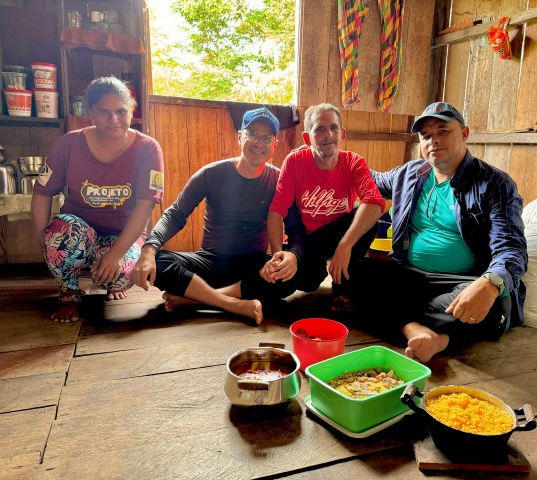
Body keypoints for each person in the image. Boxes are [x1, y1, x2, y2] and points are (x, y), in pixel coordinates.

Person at [350, 102, 528, 362]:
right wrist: (330, 158)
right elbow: (367, 179)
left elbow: (511, 248)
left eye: (443, 131)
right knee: (354, 274)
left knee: (496, 300)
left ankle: (411, 325)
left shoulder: (494, 183)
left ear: (464, 134)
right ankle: (426, 332)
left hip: (463, 281)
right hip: (411, 277)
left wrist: (489, 283)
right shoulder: (410, 173)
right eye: (426, 136)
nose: (433, 140)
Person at [131, 107, 303, 325]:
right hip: (210, 263)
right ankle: (233, 304)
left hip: (253, 268)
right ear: (240, 137)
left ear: (274, 145)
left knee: (292, 272)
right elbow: (176, 214)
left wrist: (292, 256)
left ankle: (196, 300)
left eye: (266, 138)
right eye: (252, 135)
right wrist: (149, 247)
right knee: (156, 261)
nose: (259, 143)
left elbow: (295, 227)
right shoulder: (211, 173)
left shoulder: (279, 180)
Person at [223, 103, 386, 309]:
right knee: (289, 279)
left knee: (367, 220)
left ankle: (342, 288)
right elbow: (276, 212)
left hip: (340, 236)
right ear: (308, 138)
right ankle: (215, 296)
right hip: (306, 243)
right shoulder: (295, 161)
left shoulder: (353, 162)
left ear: (342, 134)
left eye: (334, 128)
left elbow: (375, 202)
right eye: (320, 129)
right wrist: (277, 256)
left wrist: (344, 246)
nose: (328, 134)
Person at [31, 76, 164, 323]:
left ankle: (108, 278)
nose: (114, 120)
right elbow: (42, 191)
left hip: (122, 234)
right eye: (104, 112)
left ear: (131, 110)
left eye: (121, 112)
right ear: (90, 112)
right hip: (79, 230)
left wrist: (116, 254)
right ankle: (69, 294)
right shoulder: (69, 143)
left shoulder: (148, 148)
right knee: (58, 241)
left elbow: (146, 205)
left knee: (123, 275)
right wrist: (44, 241)